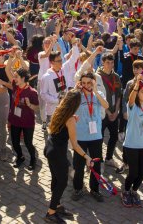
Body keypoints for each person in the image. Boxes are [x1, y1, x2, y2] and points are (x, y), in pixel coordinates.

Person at [43, 89, 94, 223]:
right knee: (62, 182)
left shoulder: (59, 109)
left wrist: (72, 121)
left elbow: (56, 127)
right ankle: (51, 212)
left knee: (55, 179)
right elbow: (75, 145)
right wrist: (87, 157)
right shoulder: (70, 119)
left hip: (49, 148)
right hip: (57, 153)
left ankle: (57, 206)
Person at [71, 71, 109, 202]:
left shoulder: (99, 95)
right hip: (80, 136)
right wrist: (74, 91)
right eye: (84, 83)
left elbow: (106, 106)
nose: (86, 85)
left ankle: (95, 189)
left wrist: (96, 91)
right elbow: (65, 104)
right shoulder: (77, 95)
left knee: (96, 164)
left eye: (89, 82)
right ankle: (77, 188)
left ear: (93, 82)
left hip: (96, 136)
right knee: (78, 164)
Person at [121, 74, 143, 207]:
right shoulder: (132, 106)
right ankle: (126, 191)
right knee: (133, 172)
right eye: (142, 92)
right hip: (132, 144)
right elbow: (131, 98)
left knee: (141, 173)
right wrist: (137, 84)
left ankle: (134, 191)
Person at [5, 60, 39, 170]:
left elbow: (37, 108)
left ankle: (33, 159)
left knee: (28, 143)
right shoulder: (15, 85)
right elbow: (7, 70)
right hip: (15, 120)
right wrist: (12, 57)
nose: (14, 79)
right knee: (15, 142)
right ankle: (20, 156)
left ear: (23, 78)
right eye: (14, 77)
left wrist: (29, 105)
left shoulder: (32, 92)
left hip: (27, 122)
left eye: (17, 77)